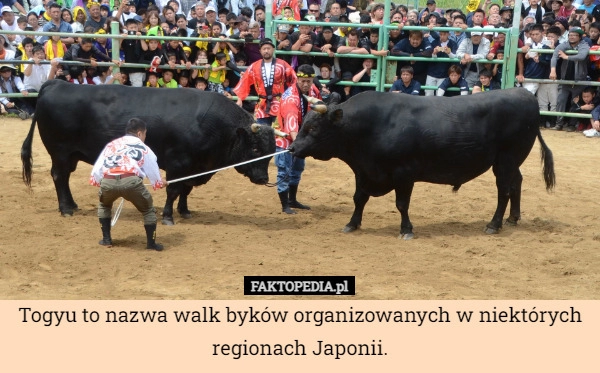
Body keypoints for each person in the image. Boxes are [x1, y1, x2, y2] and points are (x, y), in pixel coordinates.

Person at [90, 118, 166, 251]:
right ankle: (151, 244)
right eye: (145, 134)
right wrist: (159, 182)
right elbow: (152, 168)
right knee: (148, 210)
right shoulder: (143, 147)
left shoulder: (112, 145)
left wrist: (98, 181)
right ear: (139, 133)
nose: (145, 137)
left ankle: (106, 239)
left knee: (104, 205)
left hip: (108, 180)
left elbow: (98, 168)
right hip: (131, 181)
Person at [273, 64, 320, 214]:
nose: (306, 84)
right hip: (285, 137)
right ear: (297, 79)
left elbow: (319, 106)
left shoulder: (313, 91)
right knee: (284, 170)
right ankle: (284, 204)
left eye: (309, 81)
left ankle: (292, 200)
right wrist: (300, 144)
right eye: (302, 81)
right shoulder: (290, 99)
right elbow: (291, 125)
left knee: (297, 168)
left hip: (300, 136)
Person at [233, 37, 297, 125]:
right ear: (260, 51)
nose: (266, 51)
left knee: (279, 134)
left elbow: (294, 80)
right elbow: (245, 82)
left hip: (279, 103)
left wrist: (292, 98)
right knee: (262, 134)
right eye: (264, 49)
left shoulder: (282, 64)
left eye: (268, 48)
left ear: (273, 49)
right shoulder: (254, 66)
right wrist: (240, 99)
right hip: (262, 105)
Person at [550, 26, 590, 130]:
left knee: (575, 102)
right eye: (570, 35)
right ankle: (559, 123)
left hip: (579, 80)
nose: (572, 37)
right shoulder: (564, 44)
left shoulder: (584, 45)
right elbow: (555, 55)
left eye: (574, 35)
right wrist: (553, 70)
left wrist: (566, 57)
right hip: (565, 80)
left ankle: (572, 125)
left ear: (580, 37)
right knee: (561, 100)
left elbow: (582, 56)